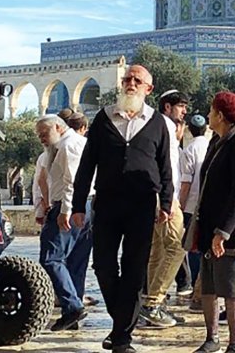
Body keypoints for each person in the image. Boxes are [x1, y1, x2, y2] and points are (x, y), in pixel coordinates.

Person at [71, 65, 173, 353]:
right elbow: (86, 166)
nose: (130, 83)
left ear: (148, 89)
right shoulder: (104, 119)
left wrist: (166, 202)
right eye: (127, 79)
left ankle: (122, 338)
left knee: (134, 268)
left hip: (142, 205)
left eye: (137, 80)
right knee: (103, 264)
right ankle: (122, 321)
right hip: (107, 203)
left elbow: (166, 168)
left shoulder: (157, 123)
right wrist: (77, 205)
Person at [190, 92, 235, 353]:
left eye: (211, 110)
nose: (208, 115)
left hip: (234, 232)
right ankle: (212, 338)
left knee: (233, 290)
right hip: (211, 227)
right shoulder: (216, 143)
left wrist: (224, 231)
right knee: (209, 287)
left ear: (220, 115)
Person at [35, 114, 89, 331]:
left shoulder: (69, 145)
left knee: (51, 258)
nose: (42, 139)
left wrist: (65, 211)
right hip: (84, 206)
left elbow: (72, 182)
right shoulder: (72, 143)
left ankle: (73, 306)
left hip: (71, 206)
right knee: (76, 260)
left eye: (44, 133)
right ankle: (72, 310)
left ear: (58, 127)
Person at [141, 89, 190, 328]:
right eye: (180, 106)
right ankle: (153, 302)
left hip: (159, 195)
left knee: (158, 250)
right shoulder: (165, 126)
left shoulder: (161, 126)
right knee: (178, 246)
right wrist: (169, 200)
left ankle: (151, 304)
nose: (184, 111)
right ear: (167, 107)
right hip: (165, 196)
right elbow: (166, 165)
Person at [64, 112, 97, 308]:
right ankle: (74, 296)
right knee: (78, 254)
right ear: (84, 128)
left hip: (71, 202)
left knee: (67, 254)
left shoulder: (61, 143)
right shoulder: (80, 144)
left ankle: (70, 295)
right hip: (84, 201)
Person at [179, 114, 210, 300]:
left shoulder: (189, 150)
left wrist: (181, 206)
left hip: (192, 205)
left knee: (193, 246)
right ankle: (206, 284)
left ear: (189, 130)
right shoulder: (211, 146)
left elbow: (186, 183)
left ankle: (195, 285)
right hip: (209, 203)